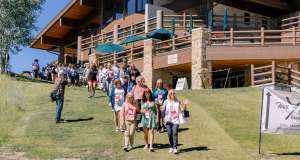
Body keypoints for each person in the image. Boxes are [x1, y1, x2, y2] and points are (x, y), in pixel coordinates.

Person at [163, 89, 188, 154]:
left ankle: (175, 148)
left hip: (176, 120)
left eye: (173, 93)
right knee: (169, 133)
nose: (172, 94)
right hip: (168, 120)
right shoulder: (166, 101)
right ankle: (171, 147)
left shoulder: (178, 101)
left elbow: (182, 110)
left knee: (174, 133)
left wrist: (185, 105)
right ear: (169, 94)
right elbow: (163, 109)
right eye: (171, 93)